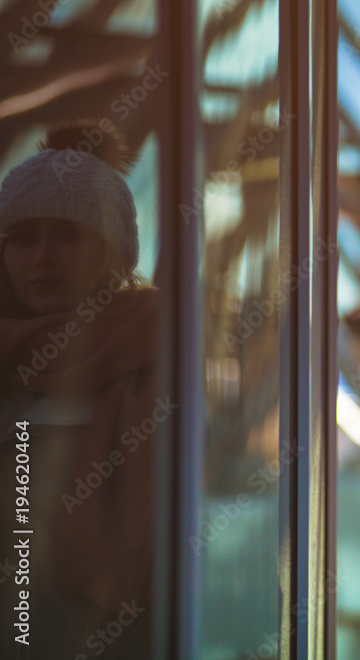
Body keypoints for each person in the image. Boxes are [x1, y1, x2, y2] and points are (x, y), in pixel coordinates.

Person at [0, 120, 157, 658]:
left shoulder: (156, 350)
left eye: (68, 234)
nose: (42, 257)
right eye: (23, 238)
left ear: (111, 251)